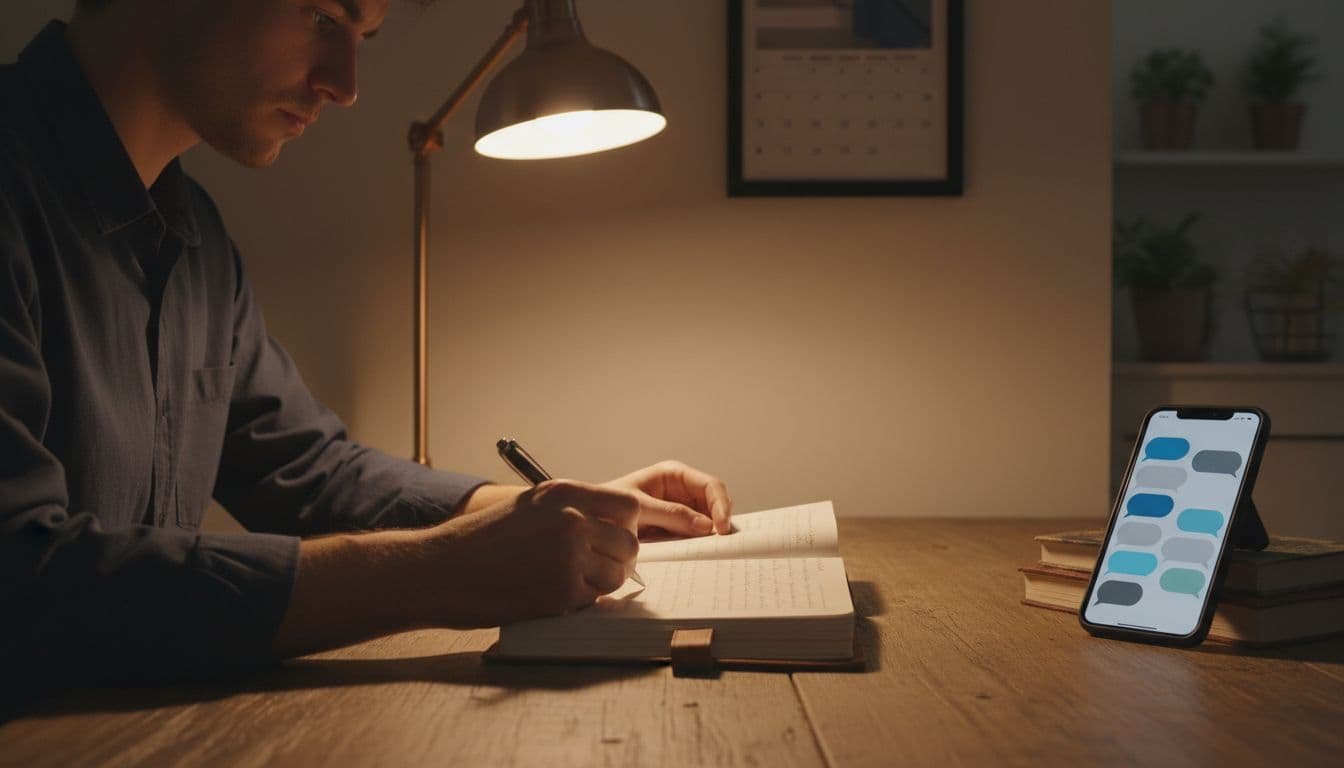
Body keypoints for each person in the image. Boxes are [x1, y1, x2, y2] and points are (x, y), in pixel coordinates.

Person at [0, 0, 732, 695]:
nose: (345, 86)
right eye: (324, 17)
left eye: (363, 37)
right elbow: (22, 578)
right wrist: (440, 572)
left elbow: (304, 469)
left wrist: (555, 515)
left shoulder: (192, 234)